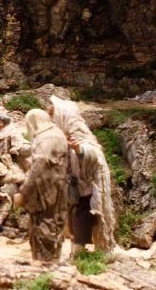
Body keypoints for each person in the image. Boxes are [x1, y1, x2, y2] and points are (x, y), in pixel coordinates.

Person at [48, 96, 116, 254]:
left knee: (83, 218)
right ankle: (77, 251)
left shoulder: (79, 133)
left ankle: (81, 253)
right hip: (74, 187)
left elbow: (94, 155)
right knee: (73, 218)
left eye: (54, 116)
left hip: (89, 188)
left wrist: (79, 151)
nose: (53, 120)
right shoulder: (62, 133)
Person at [14, 109, 68, 262]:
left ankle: (43, 269)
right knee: (56, 226)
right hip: (60, 187)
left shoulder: (43, 138)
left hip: (44, 193)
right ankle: (54, 264)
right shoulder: (59, 133)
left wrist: (24, 192)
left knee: (42, 228)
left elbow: (39, 166)